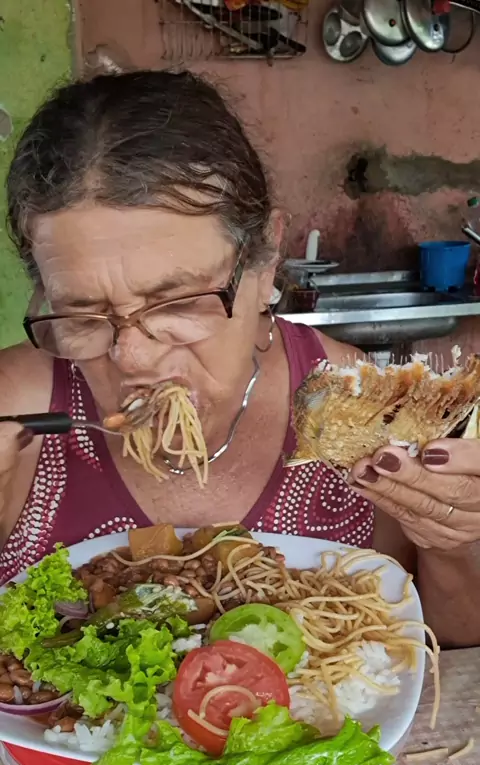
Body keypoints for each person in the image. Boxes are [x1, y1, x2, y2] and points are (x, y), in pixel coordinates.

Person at [1, 70, 479, 648]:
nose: (133, 358)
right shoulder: (16, 411)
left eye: (179, 301)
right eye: (83, 315)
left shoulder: (363, 413)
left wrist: (451, 542)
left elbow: (441, 651)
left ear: (264, 259)